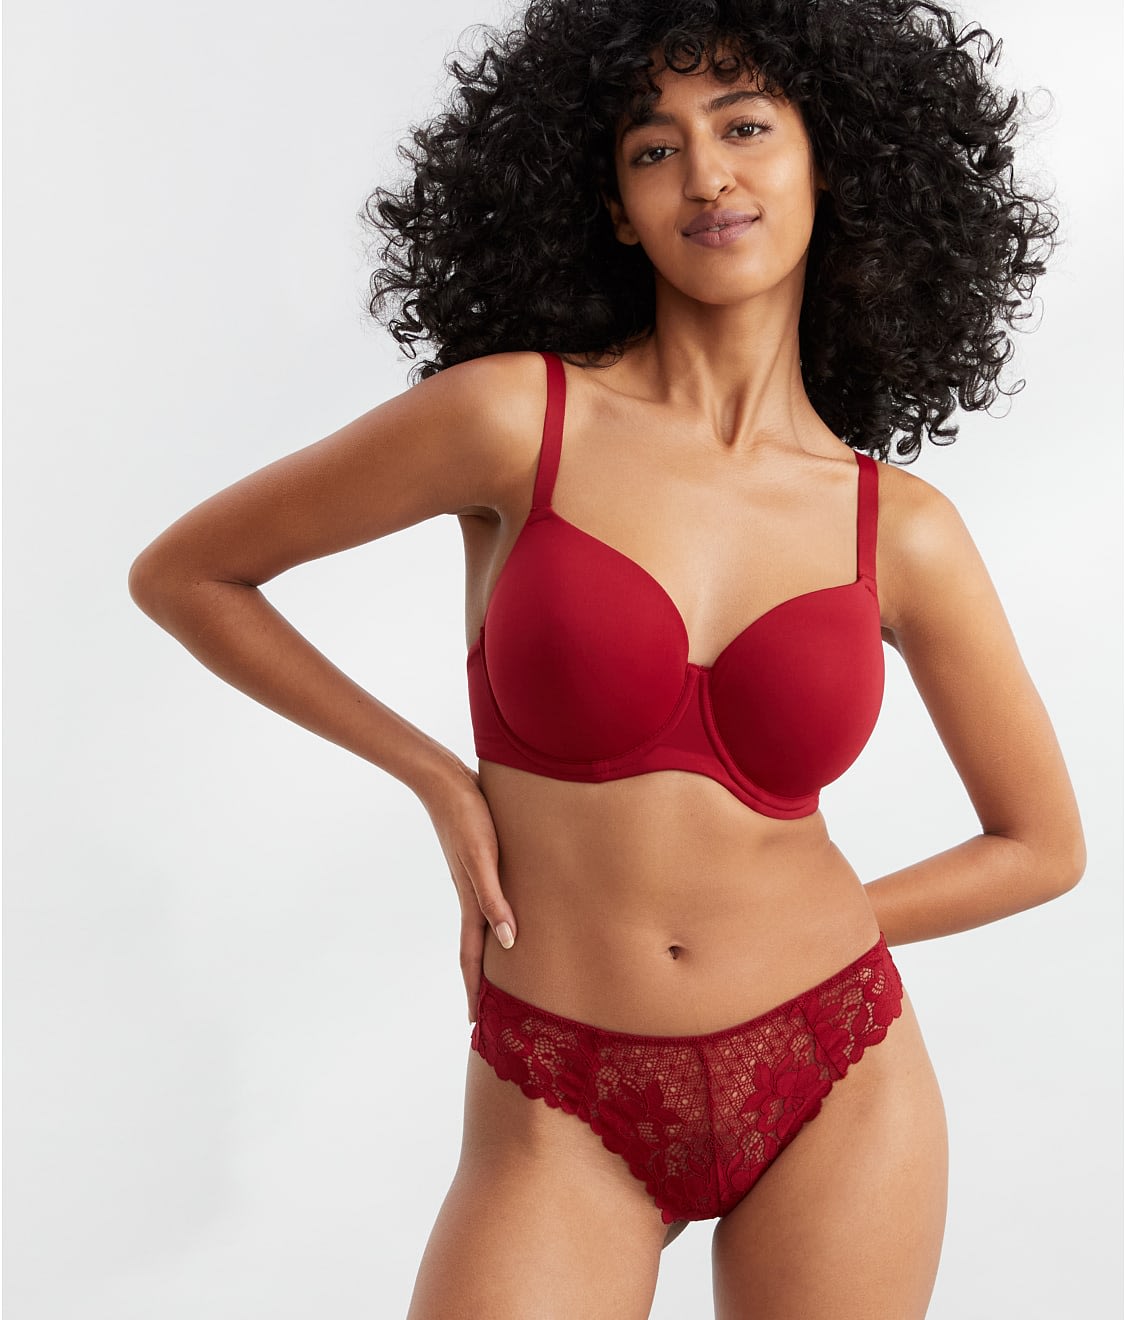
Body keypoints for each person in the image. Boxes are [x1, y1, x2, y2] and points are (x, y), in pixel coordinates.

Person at [128, 1, 1085, 1315]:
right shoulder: (513, 419)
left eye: (745, 128)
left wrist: (825, 931)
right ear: (616, 209)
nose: (706, 176)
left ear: (832, 165)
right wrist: (437, 779)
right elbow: (188, 575)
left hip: (837, 1069)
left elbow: (1041, 844)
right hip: (557, 1092)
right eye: (654, 148)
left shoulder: (899, 528)